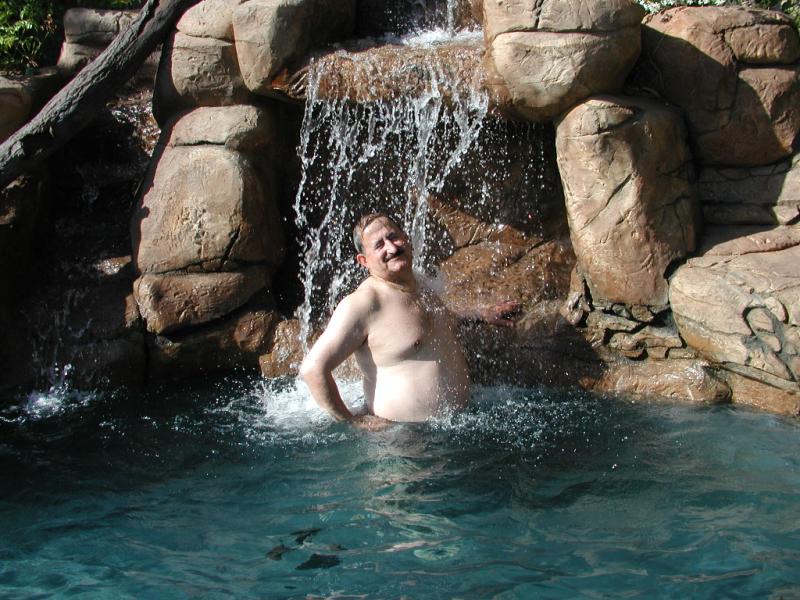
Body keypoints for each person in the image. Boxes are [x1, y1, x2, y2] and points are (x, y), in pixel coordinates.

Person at [299, 213, 518, 427]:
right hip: (403, 439)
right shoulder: (363, 303)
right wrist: (353, 421)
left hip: (458, 426)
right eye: (379, 245)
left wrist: (481, 315)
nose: (392, 248)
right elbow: (313, 369)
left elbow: (435, 325)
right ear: (364, 260)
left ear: (405, 238)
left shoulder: (419, 283)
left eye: (393, 237)